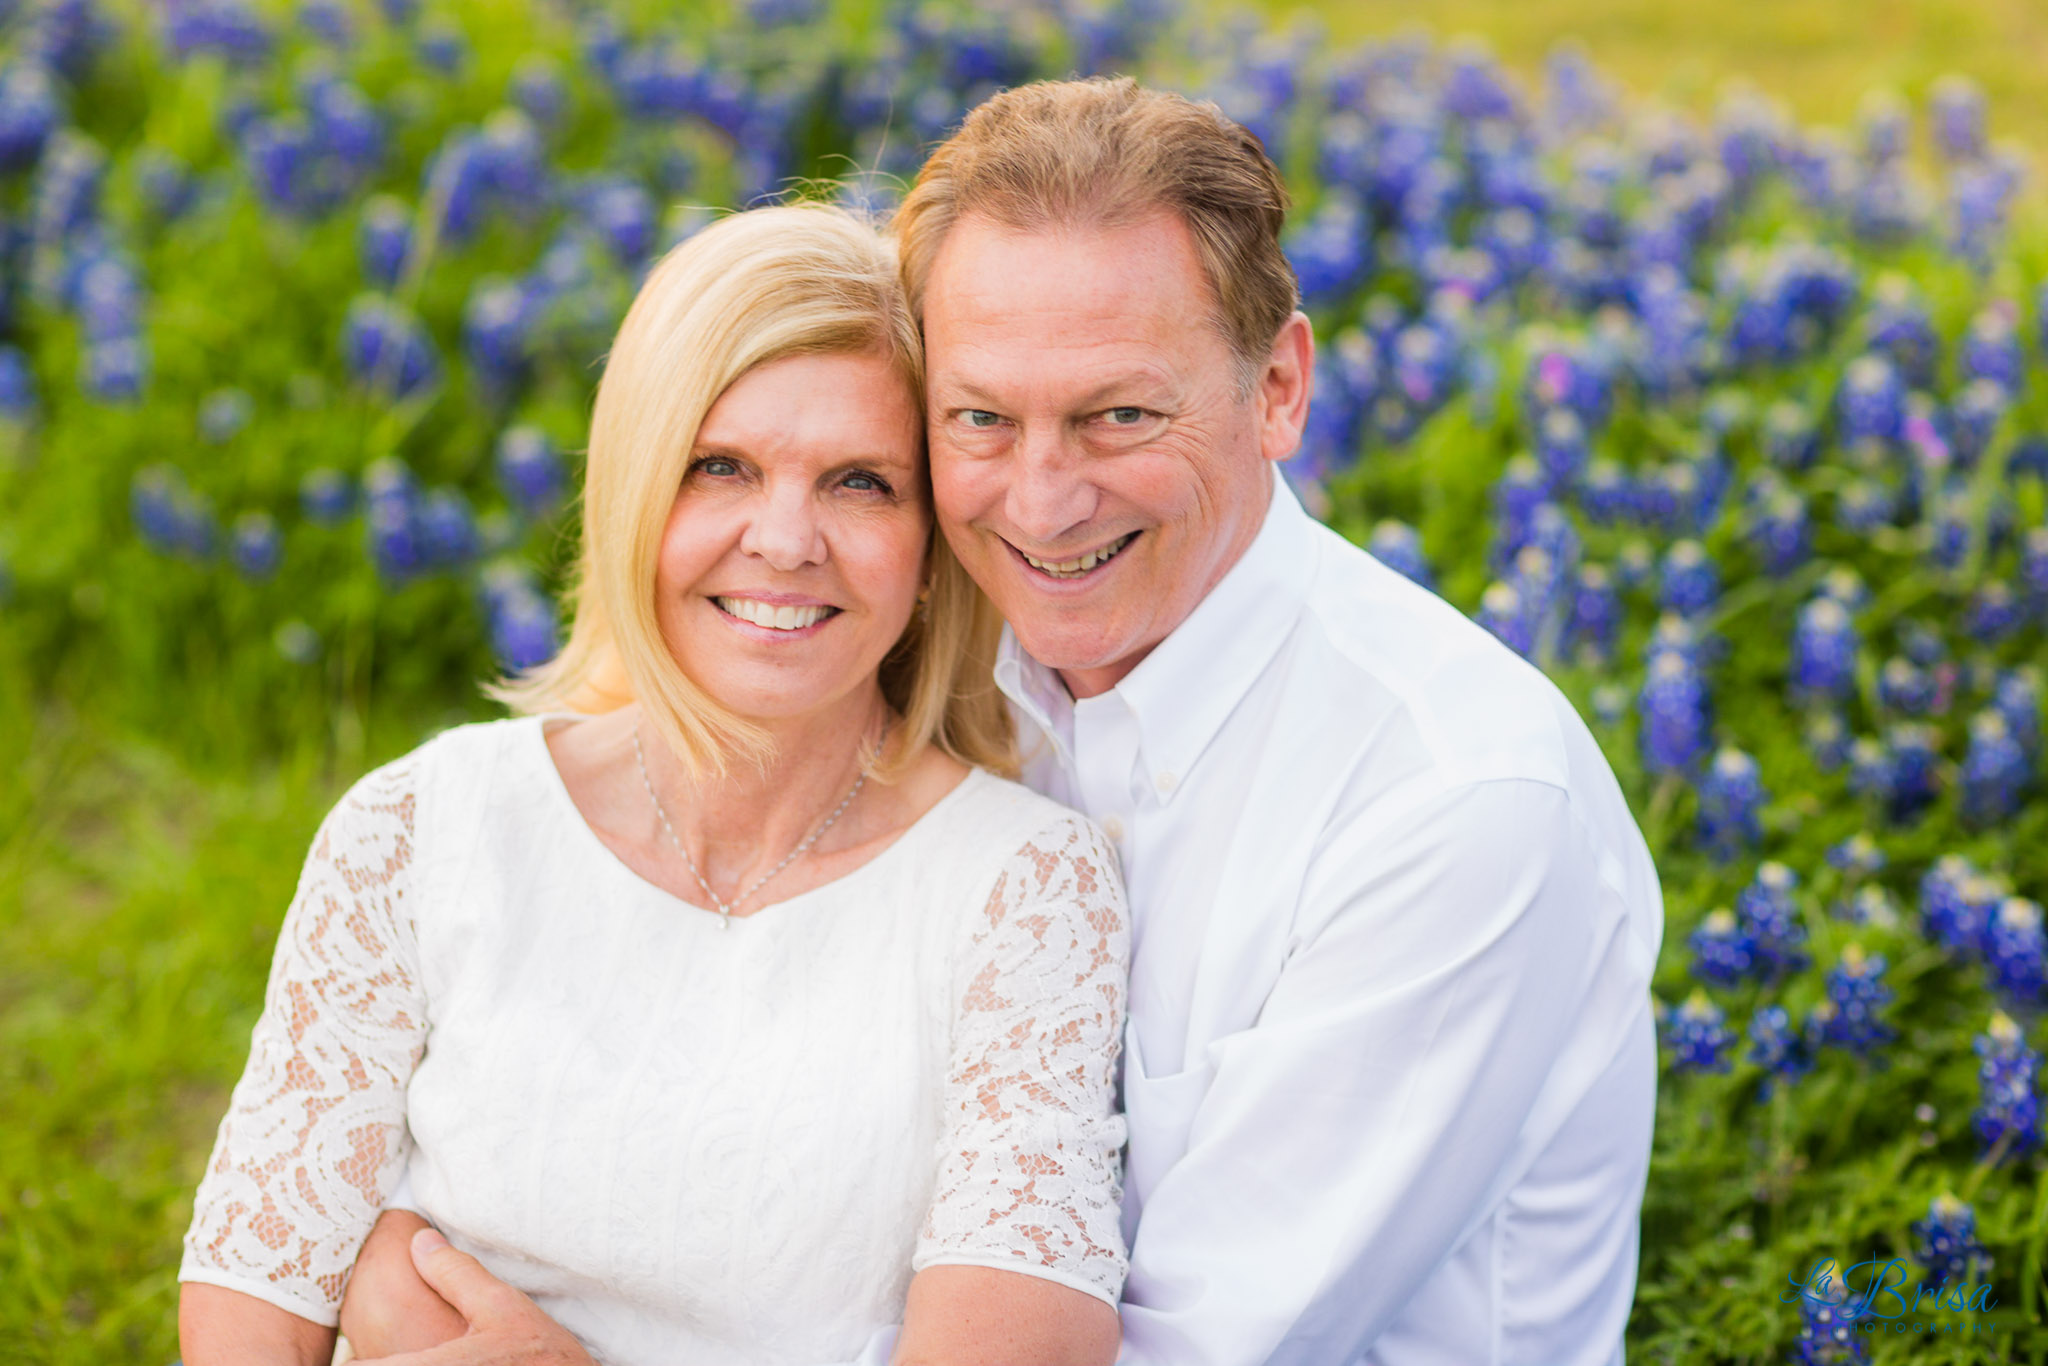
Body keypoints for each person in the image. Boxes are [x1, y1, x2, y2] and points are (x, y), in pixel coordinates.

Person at [341, 76, 1665, 1366]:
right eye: (979, 418)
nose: (1040, 503)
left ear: (1279, 387)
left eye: (1119, 415)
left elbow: (1191, 1348)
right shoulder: (930, 672)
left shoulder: (1455, 800)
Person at [174, 202, 1132, 1366]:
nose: (783, 539)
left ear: (935, 544)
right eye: (717, 466)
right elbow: (249, 1314)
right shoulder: (423, 826)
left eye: (861, 483)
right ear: (632, 490)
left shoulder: (1024, 891)